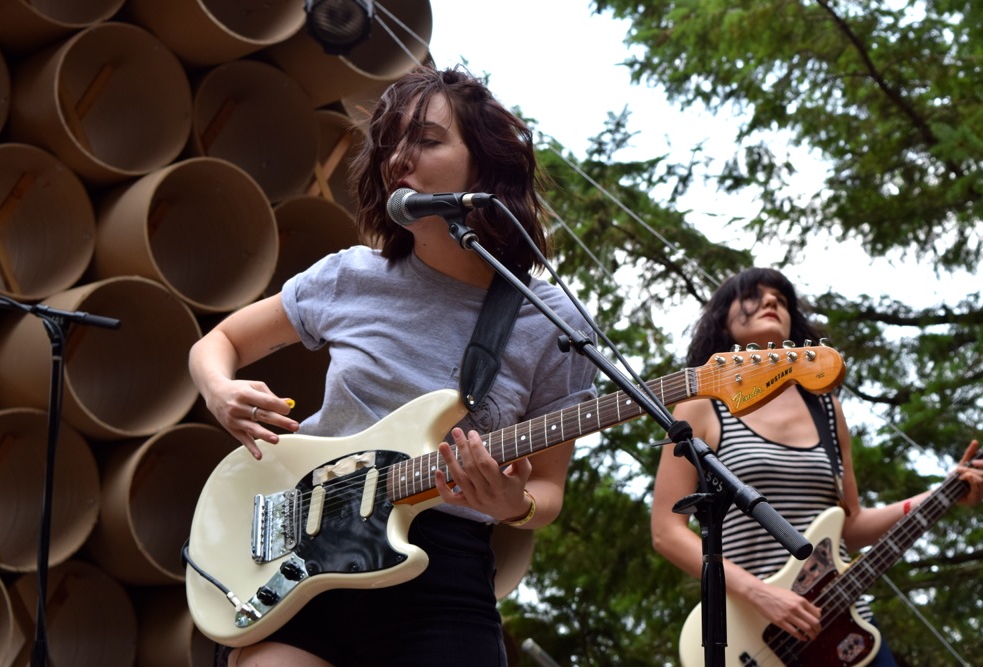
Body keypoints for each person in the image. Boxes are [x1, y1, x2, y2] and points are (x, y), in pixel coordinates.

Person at [188, 65, 597, 667]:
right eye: (391, 144)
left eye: (428, 140)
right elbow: (218, 340)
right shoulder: (350, 275)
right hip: (302, 552)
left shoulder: (553, 320)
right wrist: (219, 390)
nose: (400, 157)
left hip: (443, 577)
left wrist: (514, 505)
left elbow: (548, 490)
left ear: (485, 164)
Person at [651, 267, 983, 666]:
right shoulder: (699, 405)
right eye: (754, 295)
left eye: (781, 298)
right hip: (751, 632)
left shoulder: (826, 408)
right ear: (723, 318)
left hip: (842, 625)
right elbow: (667, 532)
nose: (773, 301)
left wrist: (943, 493)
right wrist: (762, 593)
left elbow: (852, 524)